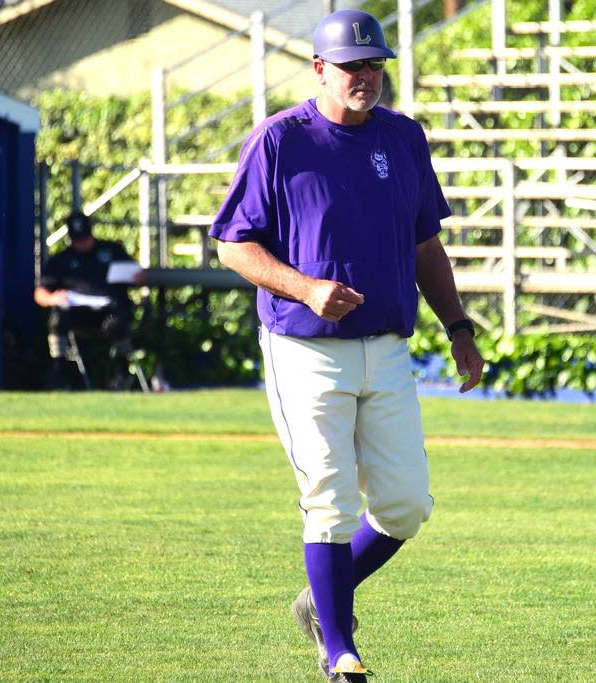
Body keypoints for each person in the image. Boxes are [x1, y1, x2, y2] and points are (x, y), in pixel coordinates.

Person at [210, 9, 485, 682]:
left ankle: (321, 600)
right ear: (319, 70)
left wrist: (459, 328)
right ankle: (341, 651)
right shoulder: (279, 141)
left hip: (387, 345)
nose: (366, 76)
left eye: (375, 64)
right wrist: (304, 288)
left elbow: (426, 244)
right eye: (352, 65)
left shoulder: (403, 137)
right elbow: (232, 244)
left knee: (405, 504)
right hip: (304, 346)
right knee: (330, 499)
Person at [34, 210, 141, 389]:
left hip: (109, 312)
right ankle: (59, 369)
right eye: (78, 240)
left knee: (117, 321)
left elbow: (138, 274)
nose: (82, 244)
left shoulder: (112, 250)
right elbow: (40, 293)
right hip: (77, 314)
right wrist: (53, 298)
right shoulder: (61, 260)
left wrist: (137, 277)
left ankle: (122, 370)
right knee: (57, 319)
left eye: (85, 238)